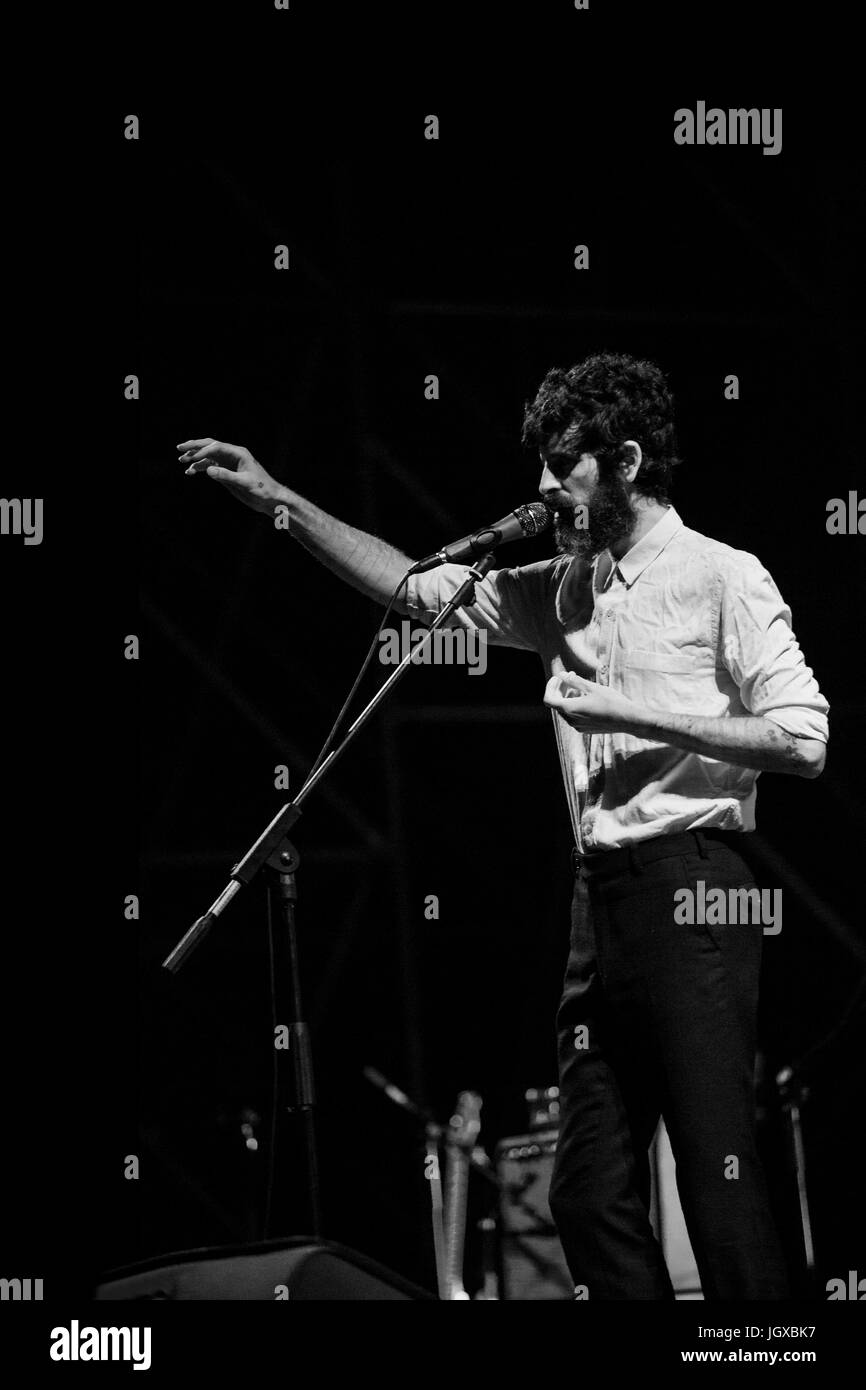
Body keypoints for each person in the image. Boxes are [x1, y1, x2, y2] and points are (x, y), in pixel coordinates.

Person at [179, 350, 829, 1300]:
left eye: (563, 468)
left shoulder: (720, 577)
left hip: (696, 884)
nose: (542, 488)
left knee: (715, 1180)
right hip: (597, 902)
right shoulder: (563, 589)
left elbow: (804, 738)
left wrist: (633, 715)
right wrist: (276, 498)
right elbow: (413, 589)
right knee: (584, 1193)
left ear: (628, 464)